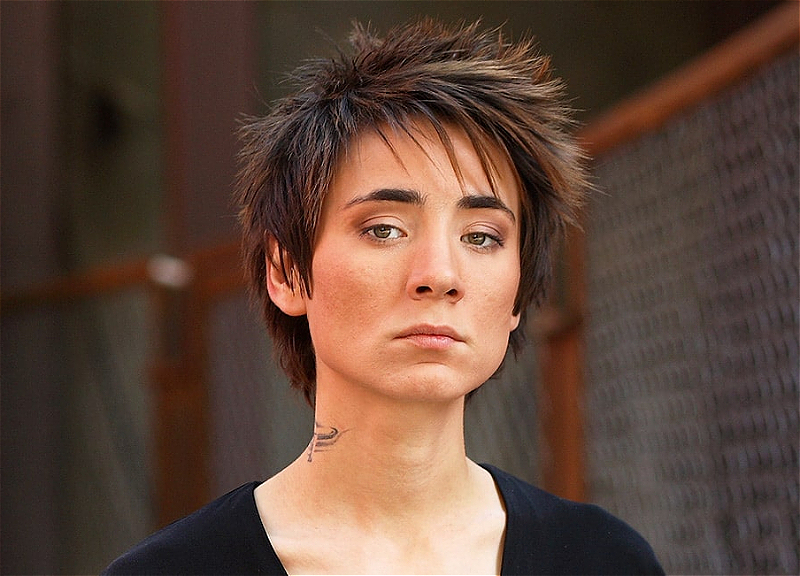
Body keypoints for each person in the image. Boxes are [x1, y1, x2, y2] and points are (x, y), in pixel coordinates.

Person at [104, 18, 664, 575]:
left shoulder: (605, 561)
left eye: (481, 237)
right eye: (384, 229)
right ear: (287, 271)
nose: (440, 275)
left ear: (518, 294)